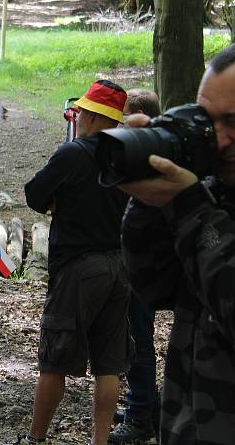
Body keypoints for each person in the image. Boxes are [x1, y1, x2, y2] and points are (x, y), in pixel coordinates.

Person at [119, 44, 235, 444]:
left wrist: (190, 208)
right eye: (208, 121)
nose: (218, 142)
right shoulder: (216, 194)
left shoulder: (203, 206)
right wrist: (151, 202)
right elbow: (155, 286)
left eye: (232, 122)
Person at [20, 80, 131, 445]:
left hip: (78, 269)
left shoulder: (73, 153)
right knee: (109, 364)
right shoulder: (129, 155)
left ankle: (36, 439)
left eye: (82, 110)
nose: (77, 116)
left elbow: (34, 194)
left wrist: (60, 203)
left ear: (97, 117)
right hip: (118, 267)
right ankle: (100, 440)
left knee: (55, 359)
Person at [108, 89, 161, 444]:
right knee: (136, 337)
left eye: (125, 116)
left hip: (142, 265)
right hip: (142, 262)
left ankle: (142, 412)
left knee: (137, 338)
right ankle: (144, 405)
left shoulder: (148, 156)